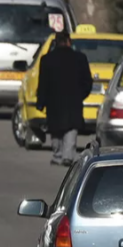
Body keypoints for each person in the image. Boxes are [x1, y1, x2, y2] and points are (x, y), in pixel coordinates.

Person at [35, 31, 93, 166]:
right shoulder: (80, 58)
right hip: (73, 101)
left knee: (55, 129)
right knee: (71, 128)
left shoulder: (47, 59)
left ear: (56, 42)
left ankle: (57, 155)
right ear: (68, 42)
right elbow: (88, 82)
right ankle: (68, 156)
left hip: (54, 102)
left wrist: (41, 102)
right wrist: (81, 94)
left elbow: (43, 83)